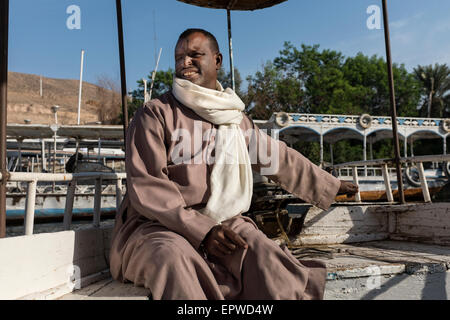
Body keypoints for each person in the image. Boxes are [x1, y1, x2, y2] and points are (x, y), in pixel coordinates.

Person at [109, 28, 358, 300]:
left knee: (265, 258)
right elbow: (148, 188)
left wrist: (330, 185)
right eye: (179, 57)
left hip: (224, 221)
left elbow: (277, 156)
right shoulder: (155, 113)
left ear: (217, 61)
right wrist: (203, 231)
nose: (184, 63)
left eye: (194, 55)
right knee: (173, 259)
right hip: (157, 227)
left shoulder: (234, 119)